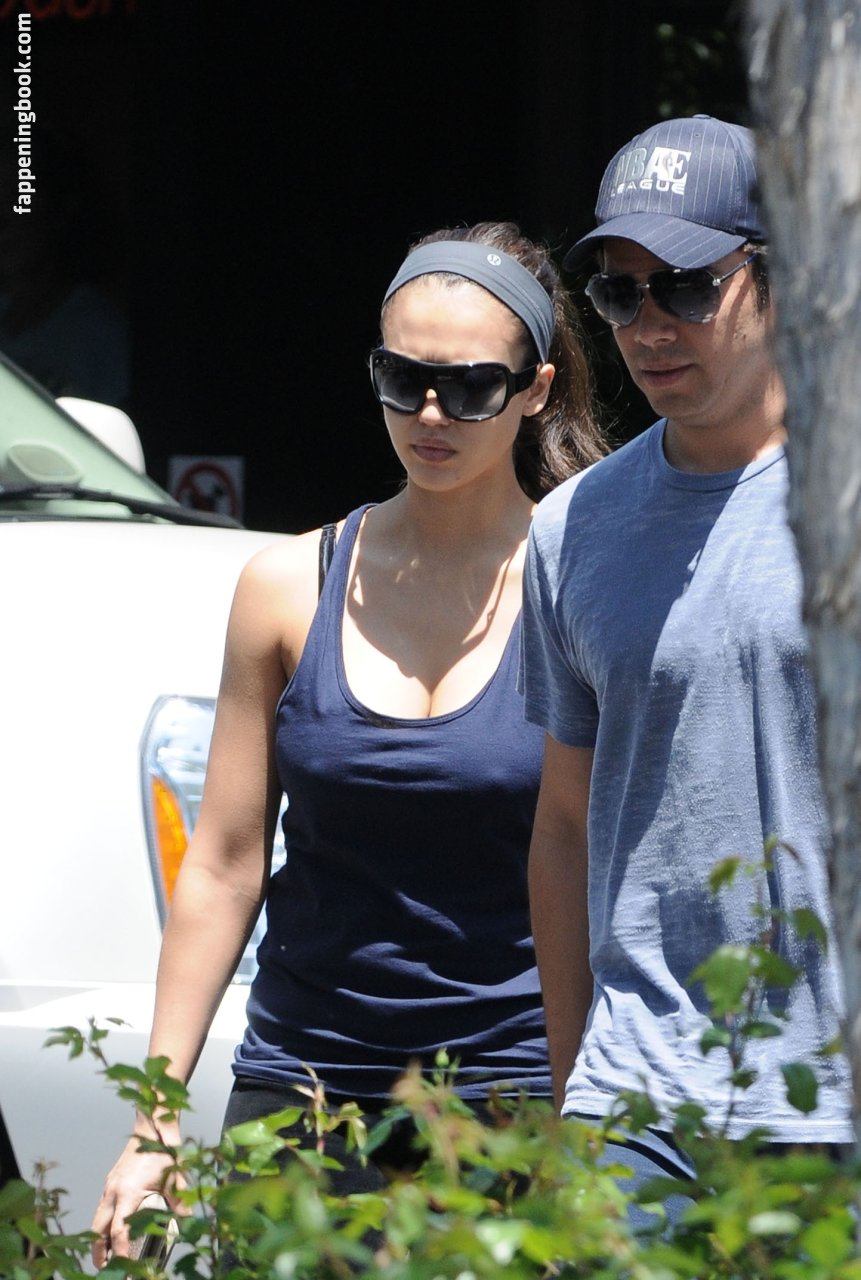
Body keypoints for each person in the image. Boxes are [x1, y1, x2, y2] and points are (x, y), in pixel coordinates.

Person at [91, 220, 607, 1262]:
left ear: (535, 390)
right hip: (304, 1090)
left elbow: (606, 860)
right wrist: (154, 1122)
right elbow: (224, 863)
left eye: (469, 387)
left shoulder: (582, 586)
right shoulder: (286, 587)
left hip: (510, 1094)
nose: (430, 414)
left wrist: (580, 1112)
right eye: (401, 378)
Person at [519, 115, 854, 1208]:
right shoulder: (571, 529)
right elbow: (564, 824)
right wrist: (572, 1094)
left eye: (688, 286)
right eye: (619, 294)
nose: (651, 325)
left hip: (831, 1103)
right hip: (634, 1106)